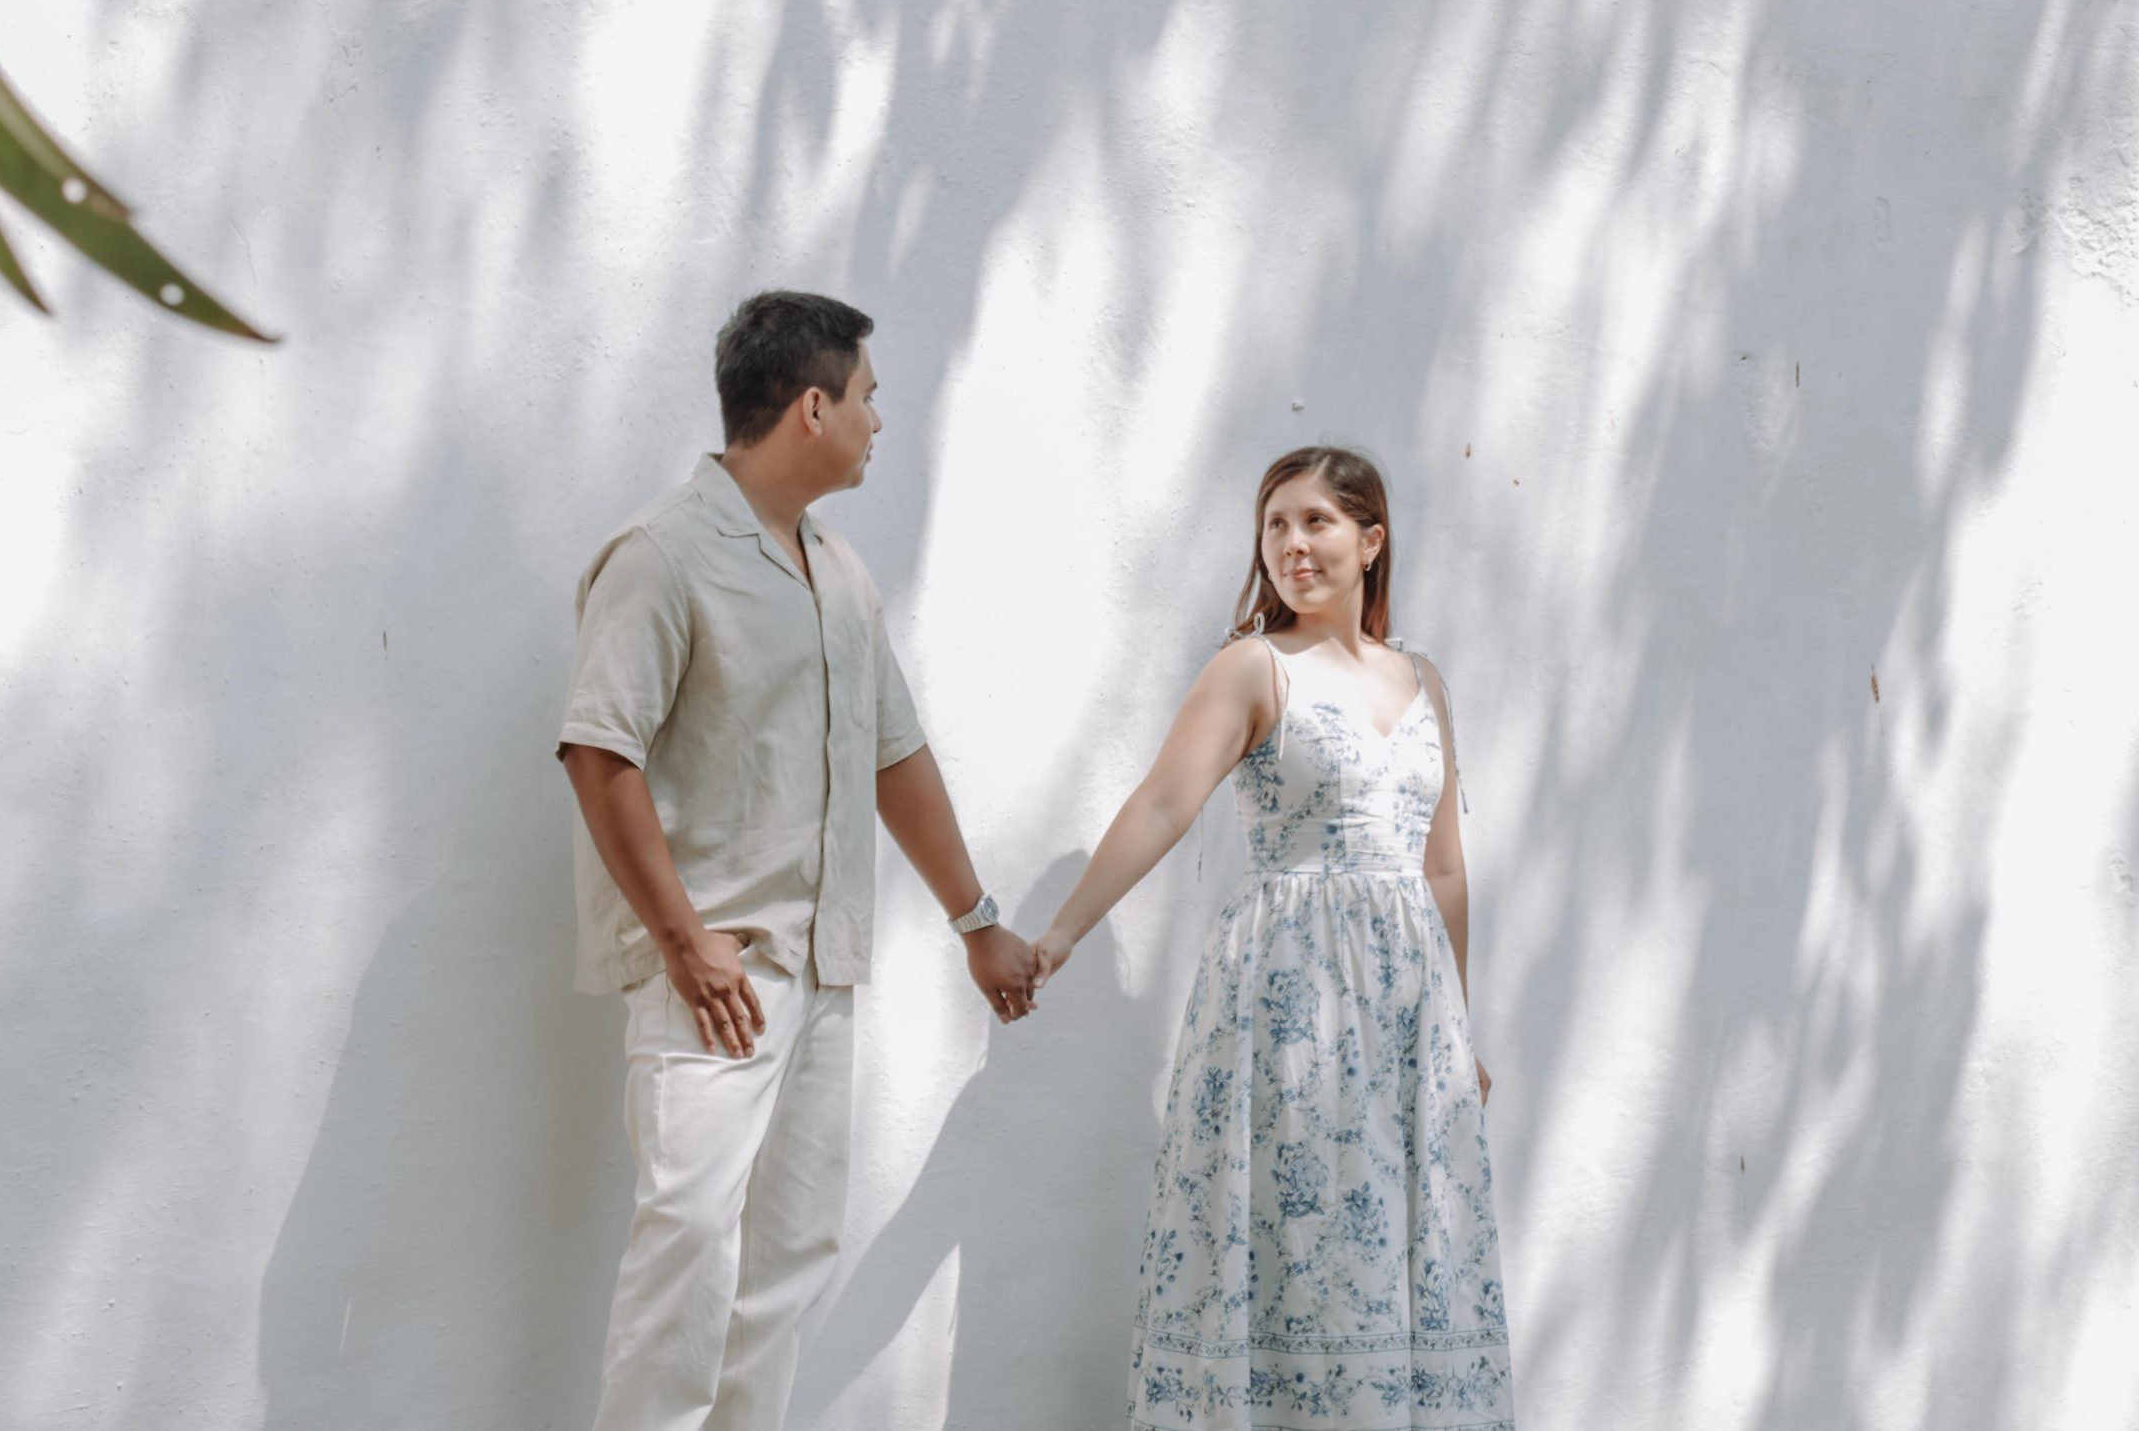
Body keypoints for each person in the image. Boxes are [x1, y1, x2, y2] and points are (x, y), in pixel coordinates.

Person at [556, 290, 1041, 1431]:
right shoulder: (663, 556)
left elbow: (895, 756)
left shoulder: (840, 573)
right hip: (713, 977)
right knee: (687, 1257)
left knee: (785, 1264)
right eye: (867, 396)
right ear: (812, 408)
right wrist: (684, 942)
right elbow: (599, 750)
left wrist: (977, 923)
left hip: (821, 974)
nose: (878, 420)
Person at [1031, 445, 1514, 1430]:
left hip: (1408, 1009)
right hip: (1290, 998)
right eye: (1275, 524)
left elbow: (1443, 868)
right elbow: (1163, 804)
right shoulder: (1254, 667)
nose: (1292, 544)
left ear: (1370, 541)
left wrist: (1457, 1031)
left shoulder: (1424, 680)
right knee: (1304, 1235)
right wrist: (1060, 936)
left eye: (1316, 521)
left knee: (1398, 1240)